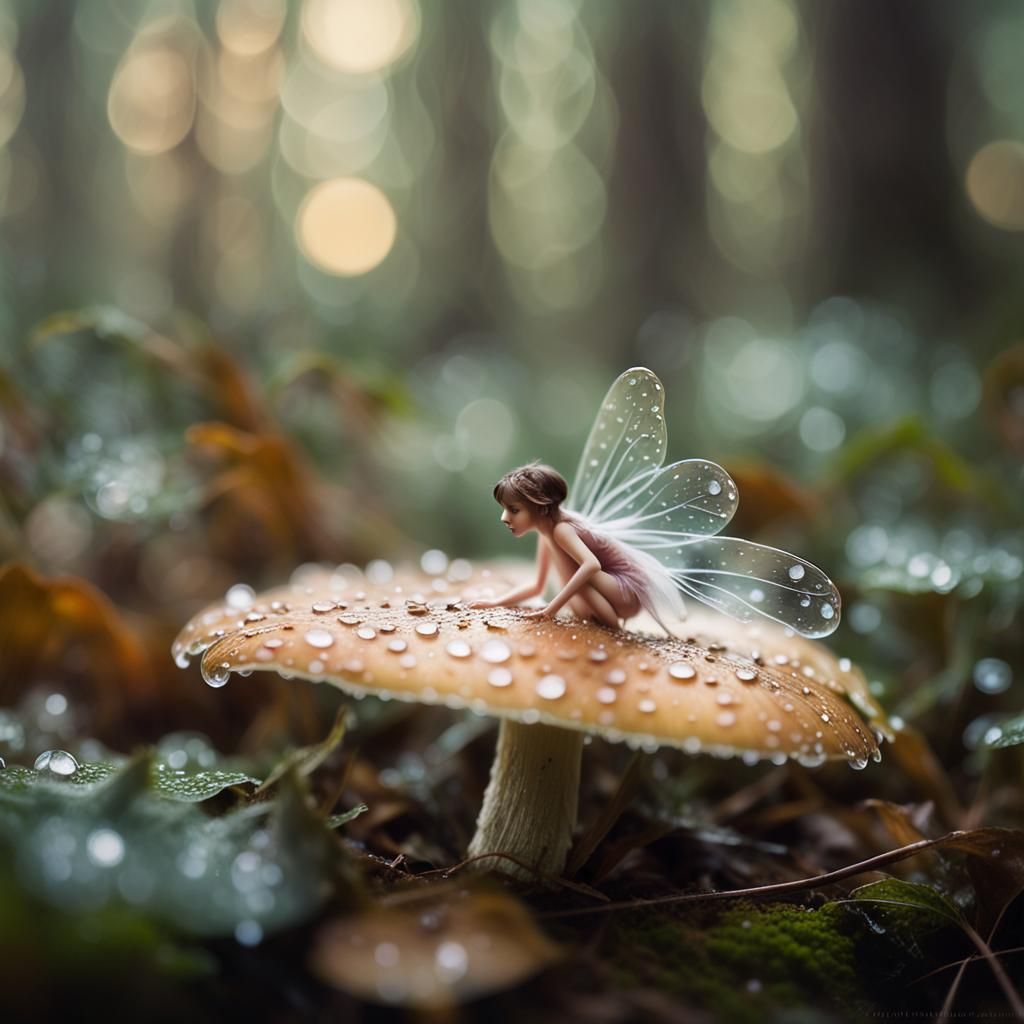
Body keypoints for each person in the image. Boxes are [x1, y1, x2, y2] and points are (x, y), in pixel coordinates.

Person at [468, 462, 652, 629]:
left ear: (542, 508)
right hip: (609, 594)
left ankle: (617, 632)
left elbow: (591, 565)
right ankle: (606, 627)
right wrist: (496, 602)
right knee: (567, 583)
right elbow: (537, 586)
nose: (504, 518)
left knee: (574, 578)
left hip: (626, 593)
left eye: (514, 510)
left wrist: (551, 609)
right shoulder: (546, 534)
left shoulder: (562, 530)